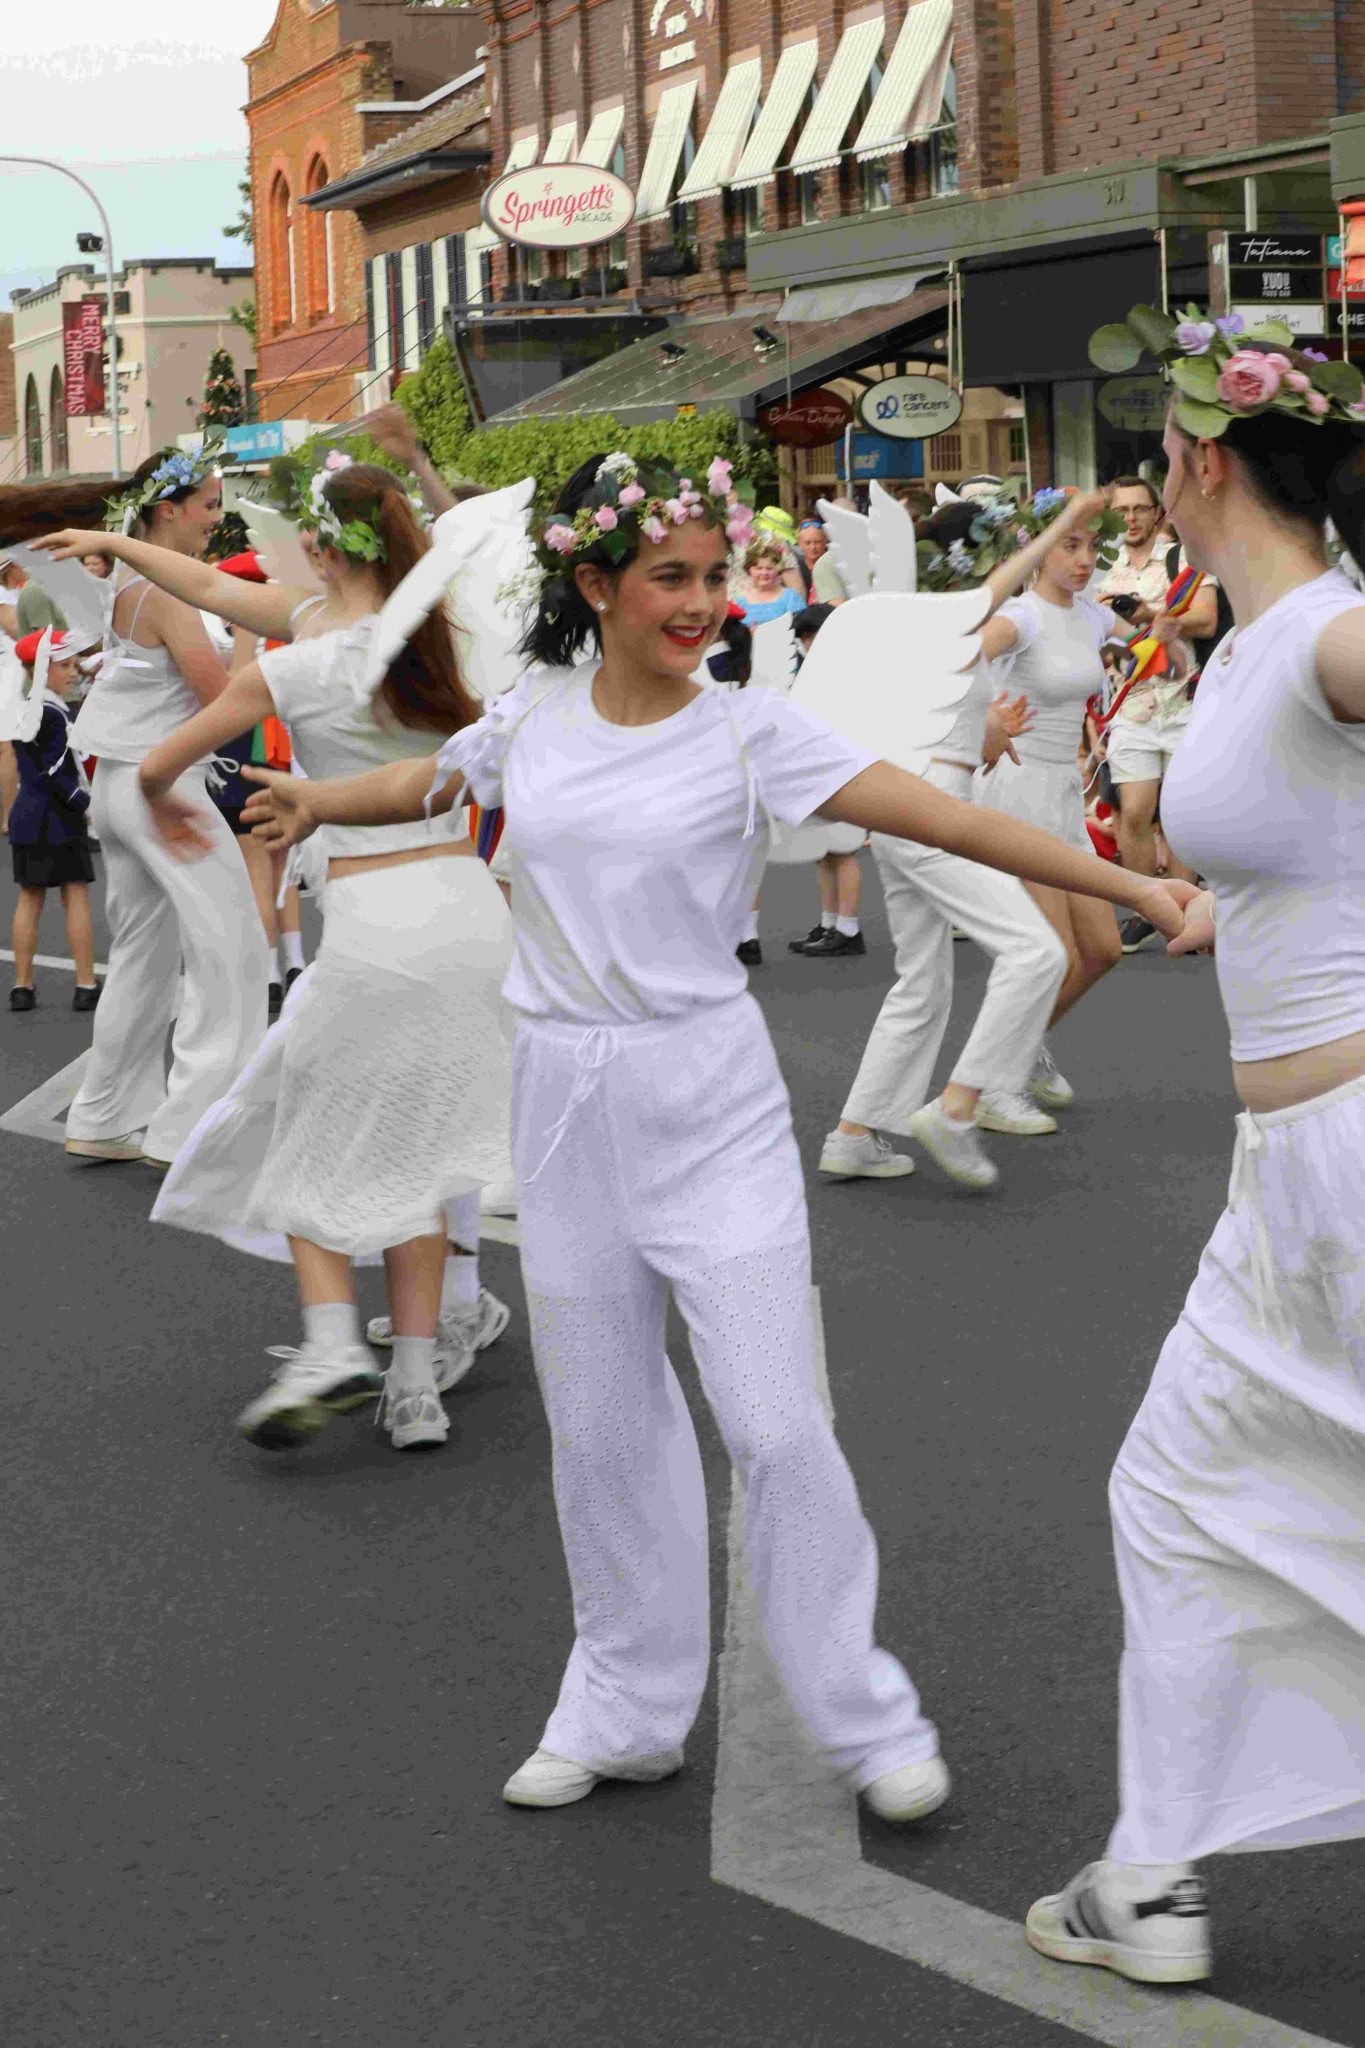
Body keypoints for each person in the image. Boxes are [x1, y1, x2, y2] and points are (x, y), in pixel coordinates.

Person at [238, 448, 1181, 1817]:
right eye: (670, 577)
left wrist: (1129, 888)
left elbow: (944, 814)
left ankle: (864, 1722)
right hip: (560, 1094)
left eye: (714, 575)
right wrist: (322, 800)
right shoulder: (534, 716)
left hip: (708, 1090)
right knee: (604, 1422)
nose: (703, 602)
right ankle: (622, 1703)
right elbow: (434, 781)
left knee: (775, 1420)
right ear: (593, 583)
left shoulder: (750, 730)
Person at [1025, 312, 1365, 1987]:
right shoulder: (1237, 645)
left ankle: (1152, 1872)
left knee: (1190, 1488)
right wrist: (1223, 908)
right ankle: (1150, 1872)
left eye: (1159, 454)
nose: (1152, 482)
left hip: (1351, 1155)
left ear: (1201, 460)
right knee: (1179, 1489)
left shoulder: (1323, 634)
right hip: (1292, 1171)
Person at [41, 456, 514, 1452]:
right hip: (471, 910)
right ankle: (418, 1385)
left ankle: (334, 1341)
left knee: (304, 1135)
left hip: (376, 923)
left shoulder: (299, 654)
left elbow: (168, 736)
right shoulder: (447, 637)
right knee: (421, 1149)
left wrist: (171, 805)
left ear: (315, 547)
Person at [819, 500, 1105, 1193]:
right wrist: (1063, 516)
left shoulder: (923, 631)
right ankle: (960, 1105)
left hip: (914, 806)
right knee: (1036, 952)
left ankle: (853, 1135)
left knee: (922, 982)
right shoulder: (934, 625)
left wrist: (991, 730)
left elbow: (940, 723)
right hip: (927, 811)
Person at [52, 448, 267, 1168]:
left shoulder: (124, 587)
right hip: (162, 788)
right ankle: (192, 1128)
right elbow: (226, 701)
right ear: (167, 510)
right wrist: (251, 633)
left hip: (118, 786)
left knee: (144, 958)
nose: (219, 516)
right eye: (209, 503)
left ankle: (106, 1113)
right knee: (230, 953)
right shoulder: (172, 594)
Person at [972, 488, 1136, 1111]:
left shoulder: (1091, 615)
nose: (1085, 558)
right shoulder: (1021, 617)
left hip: (1065, 794)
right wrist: (986, 715)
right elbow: (955, 661)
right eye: (1070, 544)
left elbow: (1140, 638)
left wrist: (1165, 641)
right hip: (1016, 792)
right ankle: (993, 1088)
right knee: (1052, 953)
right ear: (1038, 552)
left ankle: (1018, 1047)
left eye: (1093, 545)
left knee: (1101, 951)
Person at [1098, 475, 1222, 951]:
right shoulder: (1106, 573)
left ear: (1157, 513)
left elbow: (1207, 618)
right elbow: (1101, 637)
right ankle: (1144, 907)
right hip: (1132, 705)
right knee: (1132, 813)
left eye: (1139, 509)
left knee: (1180, 814)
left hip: (1184, 704)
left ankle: (1188, 911)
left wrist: (1150, 613)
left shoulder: (1185, 560)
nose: (1130, 518)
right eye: (1122, 510)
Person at [4, 628, 101, 1012]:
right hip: (59, 816)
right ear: (41, 670)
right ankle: (85, 983)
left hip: (28, 814)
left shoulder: (26, 707)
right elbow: (59, 773)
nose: (73, 672)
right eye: (65, 666)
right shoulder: (52, 715)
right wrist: (86, 805)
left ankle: (22, 986)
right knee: (75, 895)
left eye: (75, 664)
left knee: (29, 898)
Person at [786, 602, 865, 958]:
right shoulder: (809, 669)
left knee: (843, 848)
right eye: (803, 637)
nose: (807, 642)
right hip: (816, 766)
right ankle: (828, 924)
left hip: (843, 767)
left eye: (813, 635)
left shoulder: (848, 670)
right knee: (824, 851)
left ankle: (849, 929)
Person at [734, 536, 807, 629]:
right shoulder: (742, 601)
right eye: (758, 568)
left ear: (778, 570)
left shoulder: (791, 598)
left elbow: (802, 629)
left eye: (769, 568)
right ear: (750, 570)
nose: (764, 573)